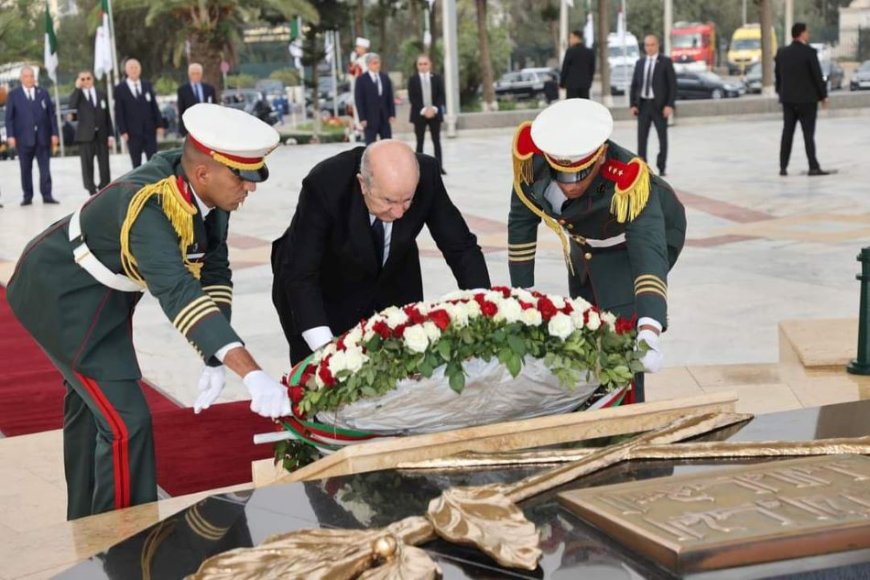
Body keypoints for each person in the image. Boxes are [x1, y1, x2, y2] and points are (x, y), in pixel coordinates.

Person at [6, 103, 291, 520]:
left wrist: (214, 355)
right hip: (61, 295)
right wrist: (251, 373)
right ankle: (123, 536)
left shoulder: (209, 192)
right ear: (203, 173)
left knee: (90, 410)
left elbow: (212, 268)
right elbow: (177, 291)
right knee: (127, 423)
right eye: (241, 178)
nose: (249, 188)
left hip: (103, 294)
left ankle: (87, 526)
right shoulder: (152, 208)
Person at [508, 99, 686, 402]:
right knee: (587, 324)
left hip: (633, 243)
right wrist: (522, 298)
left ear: (601, 156)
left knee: (623, 336)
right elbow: (521, 226)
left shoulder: (630, 182)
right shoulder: (534, 164)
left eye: (579, 174)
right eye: (561, 175)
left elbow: (648, 255)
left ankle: (628, 415)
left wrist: (650, 329)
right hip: (585, 245)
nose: (570, 186)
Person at [271, 139, 491, 364]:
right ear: (362, 184)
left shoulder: (426, 174)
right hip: (323, 287)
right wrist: (327, 350)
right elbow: (301, 273)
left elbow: (461, 248)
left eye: (407, 201)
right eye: (388, 201)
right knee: (322, 379)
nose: (398, 213)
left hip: (391, 277)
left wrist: (484, 308)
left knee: (402, 370)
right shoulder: (326, 183)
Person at [775, 22, 829, 176]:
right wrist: (823, 96)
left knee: (787, 134)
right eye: (807, 32)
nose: (808, 34)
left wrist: (781, 93)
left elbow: (778, 77)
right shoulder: (809, 52)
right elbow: (817, 76)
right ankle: (813, 166)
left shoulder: (782, 53)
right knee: (808, 135)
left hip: (788, 100)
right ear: (801, 33)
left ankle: (783, 167)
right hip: (807, 101)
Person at [4, 65, 59, 206]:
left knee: (45, 168)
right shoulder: (14, 95)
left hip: (43, 137)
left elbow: (51, 115)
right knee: (25, 169)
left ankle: (47, 195)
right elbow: (9, 118)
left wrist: (54, 133)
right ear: (21, 78)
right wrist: (10, 136)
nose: (29, 79)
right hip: (23, 138)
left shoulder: (43, 93)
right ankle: (27, 196)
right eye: (26, 76)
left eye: (32, 76)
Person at [629, 35, 677, 177]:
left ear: (657, 45)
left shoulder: (666, 62)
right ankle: (642, 168)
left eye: (652, 44)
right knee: (641, 139)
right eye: (647, 45)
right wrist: (633, 104)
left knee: (662, 138)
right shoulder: (640, 63)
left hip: (660, 107)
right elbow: (634, 85)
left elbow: (673, 86)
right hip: (643, 106)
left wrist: (669, 105)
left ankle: (661, 167)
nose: (649, 47)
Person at [69, 69, 114, 196]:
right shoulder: (78, 95)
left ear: (92, 79)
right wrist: (77, 88)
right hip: (85, 136)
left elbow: (107, 115)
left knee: (104, 163)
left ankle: (104, 186)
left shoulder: (101, 94)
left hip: (101, 134)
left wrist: (110, 134)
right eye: (82, 79)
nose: (86, 81)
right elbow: (72, 105)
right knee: (87, 165)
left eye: (88, 78)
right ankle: (91, 188)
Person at [114, 58, 164, 168]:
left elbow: (154, 106)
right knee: (136, 163)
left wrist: (159, 125)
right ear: (126, 70)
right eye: (131, 68)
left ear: (140, 69)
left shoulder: (147, 85)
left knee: (153, 162)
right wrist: (123, 131)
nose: (134, 70)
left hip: (149, 130)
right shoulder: (120, 89)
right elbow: (119, 112)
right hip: (132, 133)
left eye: (136, 67)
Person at [407, 54, 446, 175]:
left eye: (425, 64)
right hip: (419, 114)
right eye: (420, 64)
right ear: (417, 66)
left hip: (434, 114)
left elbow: (441, 95)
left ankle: (439, 167)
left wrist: (434, 109)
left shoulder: (437, 78)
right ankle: (419, 168)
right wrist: (424, 110)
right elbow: (412, 97)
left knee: (436, 141)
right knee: (420, 141)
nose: (423, 66)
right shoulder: (412, 80)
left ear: (430, 65)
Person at [354, 53, 395, 145]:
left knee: (387, 144)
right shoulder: (361, 80)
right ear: (368, 64)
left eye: (378, 62)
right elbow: (359, 100)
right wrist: (362, 118)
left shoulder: (385, 78)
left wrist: (392, 114)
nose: (377, 65)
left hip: (384, 117)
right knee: (370, 146)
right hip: (369, 119)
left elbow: (390, 97)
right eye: (374, 63)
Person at [177, 63, 216, 136]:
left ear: (201, 74)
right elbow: (181, 110)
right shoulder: (182, 90)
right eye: (193, 73)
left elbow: (214, 108)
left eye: (197, 73)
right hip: (190, 128)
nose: (195, 76)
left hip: (207, 127)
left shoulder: (209, 89)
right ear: (189, 75)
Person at [560, 30, 596, 99]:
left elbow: (565, 68)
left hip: (572, 85)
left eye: (571, 38)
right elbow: (592, 69)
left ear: (576, 38)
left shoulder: (570, 51)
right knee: (584, 105)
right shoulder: (590, 52)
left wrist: (562, 83)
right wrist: (589, 81)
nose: (570, 40)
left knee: (572, 106)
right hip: (585, 84)